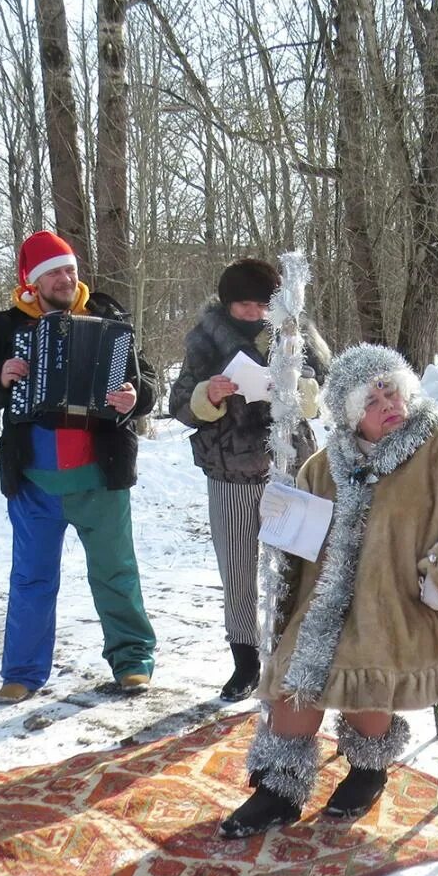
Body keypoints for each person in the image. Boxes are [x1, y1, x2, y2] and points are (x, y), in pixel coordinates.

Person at [220, 344, 438, 837]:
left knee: (363, 652)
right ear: (352, 418)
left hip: (423, 600)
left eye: (392, 392)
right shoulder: (322, 466)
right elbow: (302, 551)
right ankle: (280, 786)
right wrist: (284, 520)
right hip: (330, 601)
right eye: (372, 402)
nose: (389, 406)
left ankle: (368, 767)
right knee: (296, 663)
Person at [0, 230, 157, 704]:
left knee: (116, 571)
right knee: (31, 577)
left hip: (101, 475)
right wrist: (0, 376)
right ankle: (23, 672)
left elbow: (145, 378)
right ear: (33, 283)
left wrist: (136, 396)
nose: (66, 279)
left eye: (70, 269)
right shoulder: (6, 326)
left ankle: (132, 660)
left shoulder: (107, 317)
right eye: (54, 273)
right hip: (34, 480)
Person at [169, 259, 329, 701]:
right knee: (238, 572)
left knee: (298, 567)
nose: (255, 313)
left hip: (289, 467)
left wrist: (302, 392)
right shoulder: (204, 339)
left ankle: (294, 656)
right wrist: (209, 395)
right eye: (245, 305)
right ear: (227, 303)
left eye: (263, 304)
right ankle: (244, 663)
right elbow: (179, 403)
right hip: (229, 472)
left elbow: (327, 389)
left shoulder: (294, 333)